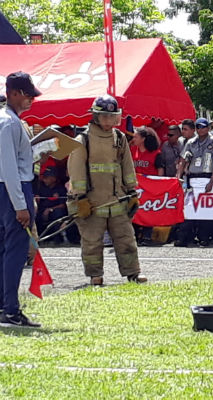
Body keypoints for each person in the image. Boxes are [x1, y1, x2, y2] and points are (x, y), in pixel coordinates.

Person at [67, 94, 147, 286]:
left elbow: (127, 167)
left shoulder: (119, 138)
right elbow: (76, 170)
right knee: (92, 242)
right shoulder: (83, 139)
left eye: (113, 117)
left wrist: (131, 192)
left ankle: (133, 273)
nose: (109, 121)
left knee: (126, 238)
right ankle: (95, 275)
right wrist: (81, 198)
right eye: (105, 117)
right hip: (91, 202)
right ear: (95, 116)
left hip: (117, 200)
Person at [0, 71, 42, 328]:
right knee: (15, 252)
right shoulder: (10, 123)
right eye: (27, 95)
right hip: (12, 189)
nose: (31, 100)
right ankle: (11, 309)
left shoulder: (10, 121)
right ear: (13, 93)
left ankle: (5, 306)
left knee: (5, 250)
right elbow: (9, 168)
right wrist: (20, 206)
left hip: (6, 188)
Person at [176, 117, 213, 247]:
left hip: (207, 176)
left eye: (203, 127)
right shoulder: (191, 142)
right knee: (189, 207)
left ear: (208, 128)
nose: (200, 129)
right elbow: (183, 160)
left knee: (205, 209)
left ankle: (204, 237)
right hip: (192, 177)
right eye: (198, 127)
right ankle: (185, 237)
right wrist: (179, 176)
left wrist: (212, 181)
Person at [35, 167, 76, 244]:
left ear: (54, 178)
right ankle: (40, 239)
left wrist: (50, 209)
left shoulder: (60, 188)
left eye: (47, 178)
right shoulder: (41, 188)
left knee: (58, 213)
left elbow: (63, 205)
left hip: (55, 211)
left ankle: (57, 239)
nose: (44, 180)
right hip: (42, 211)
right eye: (44, 178)